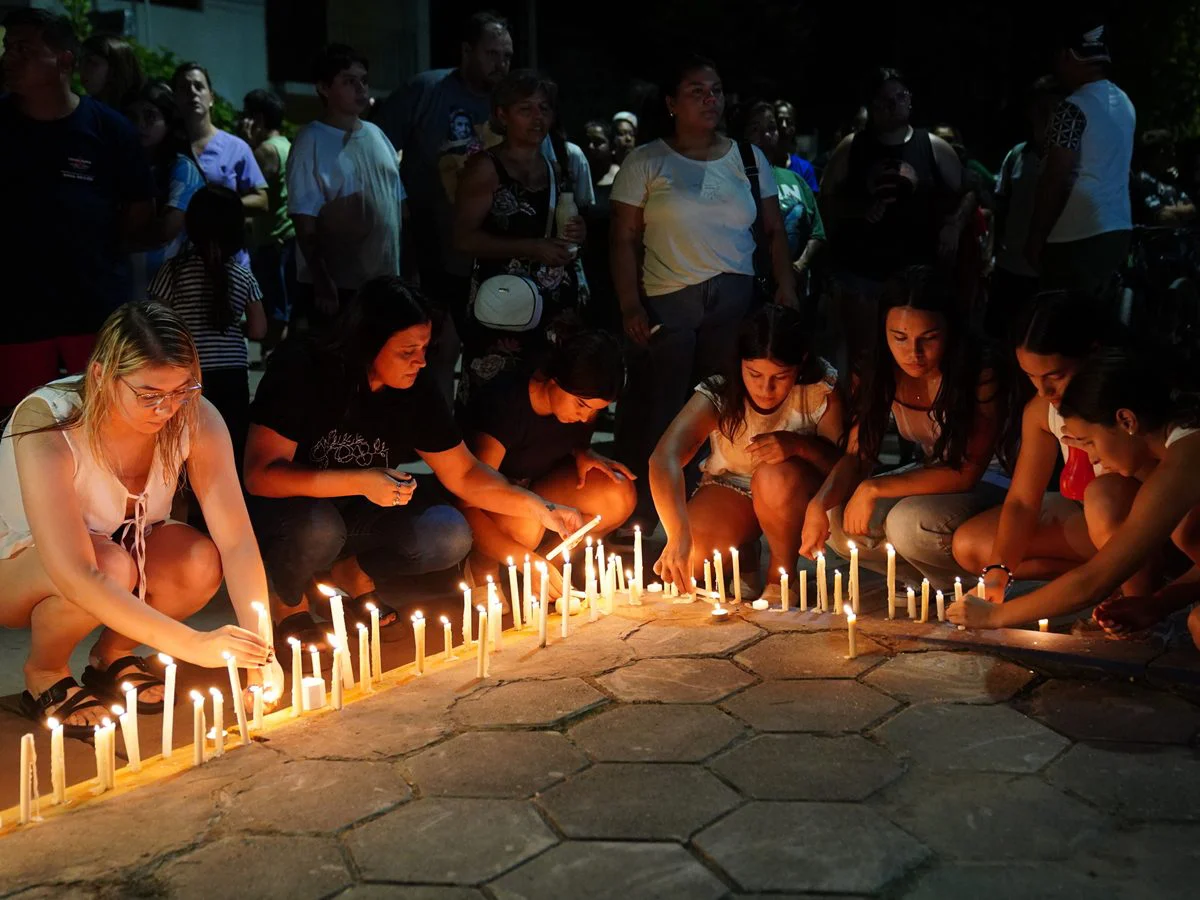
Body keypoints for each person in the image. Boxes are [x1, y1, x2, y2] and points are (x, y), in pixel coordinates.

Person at [244, 276, 583, 646]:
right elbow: (260, 475)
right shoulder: (305, 367)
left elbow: (466, 473)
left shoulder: (413, 388)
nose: (420, 361)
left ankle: (351, 571)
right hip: (289, 512)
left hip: (358, 511)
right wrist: (359, 481)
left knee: (448, 534)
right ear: (367, 343)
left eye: (424, 348)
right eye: (407, 350)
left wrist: (541, 508)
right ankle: (286, 598)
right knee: (320, 529)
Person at [0, 303, 278, 735]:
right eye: (149, 394)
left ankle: (112, 658)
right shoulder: (48, 420)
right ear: (100, 376)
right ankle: (45, 673)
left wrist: (262, 653)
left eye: (182, 390)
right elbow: (74, 573)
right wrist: (193, 644)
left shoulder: (195, 415)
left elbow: (237, 541)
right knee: (108, 565)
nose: (166, 409)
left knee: (198, 561)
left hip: (114, 558)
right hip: (21, 568)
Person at [610, 54, 797, 530]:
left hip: (733, 302)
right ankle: (652, 513)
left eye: (714, 90)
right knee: (664, 405)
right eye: (696, 91)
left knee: (720, 405)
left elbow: (774, 232)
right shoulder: (646, 160)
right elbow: (624, 239)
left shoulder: (749, 159)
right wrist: (630, 302)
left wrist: (786, 289)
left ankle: (714, 505)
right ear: (672, 102)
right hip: (668, 302)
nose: (709, 99)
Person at [948, 348, 1200, 650]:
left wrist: (995, 616)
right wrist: (1158, 604)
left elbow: (1093, 581)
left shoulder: (1186, 458)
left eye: (1090, 441)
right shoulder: (1179, 447)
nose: (1092, 456)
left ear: (1126, 420)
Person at [802, 266, 1005, 587]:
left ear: (950, 331)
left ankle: (961, 584)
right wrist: (818, 503)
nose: (913, 353)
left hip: (993, 482)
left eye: (929, 338)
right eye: (899, 338)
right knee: (836, 518)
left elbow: (966, 473)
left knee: (908, 522)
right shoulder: (879, 372)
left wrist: (873, 488)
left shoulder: (978, 374)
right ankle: (923, 585)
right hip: (931, 471)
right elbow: (858, 454)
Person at [0, 10, 155, 415]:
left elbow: (140, 210)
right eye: (6, 47)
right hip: (15, 312)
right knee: (23, 426)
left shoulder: (110, 130)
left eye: (24, 49)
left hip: (94, 309)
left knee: (101, 419)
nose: (9, 57)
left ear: (65, 61)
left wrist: (95, 250)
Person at [652, 305, 843, 602]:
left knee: (772, 476)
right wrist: (678, 535)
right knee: (692, 561)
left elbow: (844, 464)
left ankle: (782, 576)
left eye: (780, 377)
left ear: (801, 363)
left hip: (793, 490)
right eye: (754, 374)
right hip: (733, 488)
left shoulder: (819, 390)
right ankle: (744, 551)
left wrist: (799, 445)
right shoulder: (722, 392)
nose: (765, 389)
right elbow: (664, 458)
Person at [951, 292, 1131, 602]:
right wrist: (998, 573)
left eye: (1055, 376)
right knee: (973, 545)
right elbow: (1022, 500)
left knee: (1102, 497)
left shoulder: (1129, 403)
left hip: (1143, 525)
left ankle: (1133, 594)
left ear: (1092, 353)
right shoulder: (1041, 410)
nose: (1044, 390)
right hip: (1088, 521)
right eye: (1031, 377)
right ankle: (1095, 580)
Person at [376, 11, 514, 399]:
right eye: (492, 54)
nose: (500, 64)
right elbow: (378, 145)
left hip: (494, 247)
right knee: (432, 343)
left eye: (507, 56)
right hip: (430, 241)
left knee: (491, 346)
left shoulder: (512, 103)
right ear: (467, 51)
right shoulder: (427, 90)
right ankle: (428, 427)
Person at [462, 329, 634, 593]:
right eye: (580, 405)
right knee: (527, 523)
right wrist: (524, 559)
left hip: (540, 485)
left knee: (618, 492)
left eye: (595, 411)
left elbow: (568, 438)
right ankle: (482, 567)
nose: (585, 417)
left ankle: (549, 562)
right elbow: (468, 500)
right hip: (497, 497)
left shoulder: (581, 410)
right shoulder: (506, 405)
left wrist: (582, 452)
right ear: (554, 381)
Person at [819, 68, 970, 368]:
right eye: (884, 99)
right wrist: (857, 210)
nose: (893, 105)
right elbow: (825, 199)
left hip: (917, 275)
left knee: (915, 359)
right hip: (863, 273)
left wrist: (953, 226)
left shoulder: (933, 146)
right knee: (865, 356)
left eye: (900, 97)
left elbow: (968, 191)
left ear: (910, 100)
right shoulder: (852, 147)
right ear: (872, 106)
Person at [453, 69, 586, 407]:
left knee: (549, 393)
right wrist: (530, 248)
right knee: (498, 397)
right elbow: (463, 238)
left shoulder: (555, 167)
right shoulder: (486, 166)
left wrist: (576, 232)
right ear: (502, 114)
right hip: (503, 302)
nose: (537, 117)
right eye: (526, 109)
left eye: (544, 108)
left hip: (553, 301)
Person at [287, 44, 408, 330]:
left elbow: (399, 206)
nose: (360, 88)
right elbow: (304, 221)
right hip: (340, 288)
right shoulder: (310, 141)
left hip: (384, 281)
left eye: (363, 80)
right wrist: (323, 282)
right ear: (324, 88)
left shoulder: (377, 134)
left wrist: (408, 275)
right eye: (348, 81)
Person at [149, 185, 267, 466]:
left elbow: (155, 323)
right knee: (228, 446)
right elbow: (259, 330)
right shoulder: (243, 276)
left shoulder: (173, 272)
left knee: (185, 448)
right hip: (233, 377)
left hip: (188, 374)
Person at [1025, 20, 1135, 295]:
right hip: (1119, 228)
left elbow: (1056, 175)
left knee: (1059, 327)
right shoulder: (1125, 102)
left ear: (1067, 56)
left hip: (1077, 234)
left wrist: (1037, 235)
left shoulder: (1071, 108)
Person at [172, 62, 267, 270]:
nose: (192, 93)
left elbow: (262, 199)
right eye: (184, 88)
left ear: (211, 97)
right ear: (175, 98)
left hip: (230, 263)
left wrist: (221, 207)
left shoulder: (236, 148)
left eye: (199, 86)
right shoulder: (168, 148)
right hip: (182, 264)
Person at [989, 76, 1064, 338]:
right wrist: (993, 254)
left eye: (1052, 108)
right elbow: (1001, 204)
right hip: (1010, 269)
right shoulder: (1016, 155)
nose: (1044, 114)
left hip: (1050, 273)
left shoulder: (1071, 158)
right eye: (1038, 107)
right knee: (1001, 339)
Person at [125, 81, 207, 301]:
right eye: (133, 116)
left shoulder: (182, 169)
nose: (140, 124)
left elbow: (165, 232)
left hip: (170, 294)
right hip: (128, 291)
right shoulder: (125, 165)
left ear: (169, 122)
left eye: (150, 116)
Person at [736, 101, 826, 298]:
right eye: (755, 128)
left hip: (793, 286)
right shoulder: (732, 181)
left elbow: (817, 231)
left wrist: (799, 265)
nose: (766, 135)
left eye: (771, 128)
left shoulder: (796, 179)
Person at [241, 88, 297, 352]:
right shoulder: (287, 145)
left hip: (273, 240)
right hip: (288, 236)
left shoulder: (265, 151)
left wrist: (249, 146)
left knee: (275, 313)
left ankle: (275, 369)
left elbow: (254, 194)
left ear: (259, 119)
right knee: (284, 309)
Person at [580, 120, 621, 332]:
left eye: (598, 142)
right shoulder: (576, 179)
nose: (591, 148)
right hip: (584, 267)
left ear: (612, 147)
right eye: (587, 142)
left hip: (613, 269)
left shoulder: (623, 181)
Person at [1131, 130, 1196, 227]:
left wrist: (1167, 209)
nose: (1174, 154)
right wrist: (1179, 211)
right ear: (1161, 153)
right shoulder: (1143, 181)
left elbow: (1192, 209)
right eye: (1171, 150)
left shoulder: (1170, 180)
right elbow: (1164, 217)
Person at [79, 32, 143, 110]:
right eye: (81, 61)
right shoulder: (86, 109)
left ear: (114, 70)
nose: (80, 67)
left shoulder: (136, 112)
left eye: (91, 61)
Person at [773, 100, 820, 194]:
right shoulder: (761, 168)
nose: (783, 125)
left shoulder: (804, 169)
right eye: (779, 121)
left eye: (789, 121)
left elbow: (811, 205)